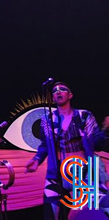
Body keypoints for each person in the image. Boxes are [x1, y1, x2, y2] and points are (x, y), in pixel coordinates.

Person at [24, 80, 104, 220]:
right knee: (50, 214)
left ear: (70, 95)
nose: (58, 92)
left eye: (62, 89)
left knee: (83, 214)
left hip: (82, 171)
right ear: (53, 98)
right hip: (56, 173)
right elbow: (45, 144)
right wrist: (36, 160)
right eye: (54, 91)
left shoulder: (84, 115)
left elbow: (95, 141)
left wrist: (105, 131)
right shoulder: (47, 119)